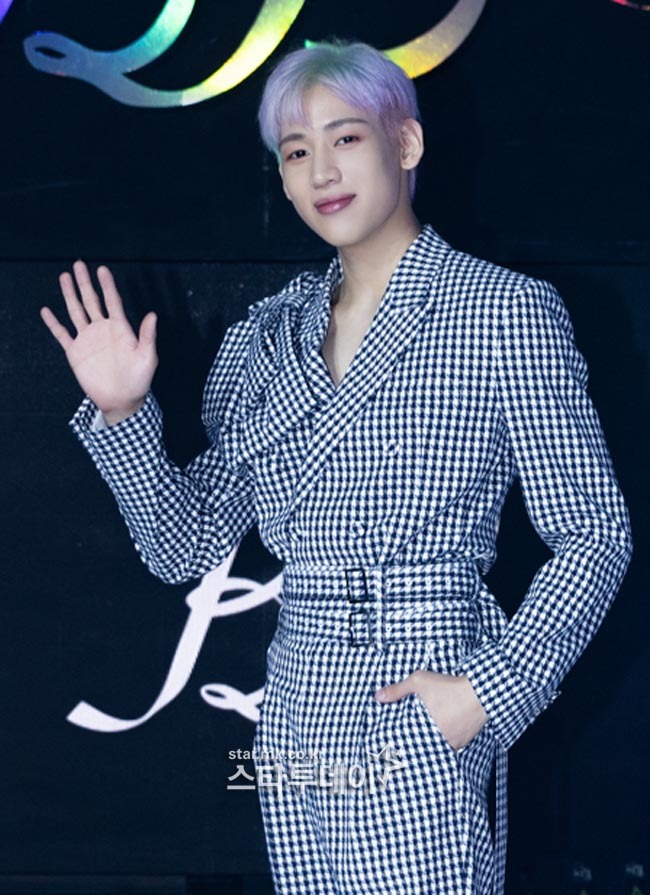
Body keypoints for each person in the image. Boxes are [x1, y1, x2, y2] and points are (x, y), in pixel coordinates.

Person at [40, 39, 633, 895]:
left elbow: (594, 531)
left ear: (407, 143)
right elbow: (183, 546)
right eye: (295, 151)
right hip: (294, 701)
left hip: (420, 683)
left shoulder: (500, 309)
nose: (321, 170)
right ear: (282, 180)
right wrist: (125, 414)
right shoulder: (266, 336)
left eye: (345, 138)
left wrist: (487, 690)